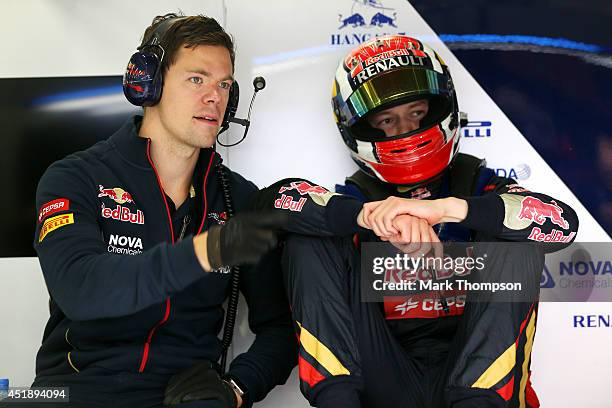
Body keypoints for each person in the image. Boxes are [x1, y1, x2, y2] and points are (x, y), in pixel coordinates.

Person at [255, 35, 579, 407]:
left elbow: (562, 224)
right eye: (387, 120)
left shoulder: (483, 187)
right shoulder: (354, 202)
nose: (405, 130)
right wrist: (366, 216)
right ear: (363, 129)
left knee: (516, 238)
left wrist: (448, 209)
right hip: (386, 378)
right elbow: (271, 202)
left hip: (477, 380)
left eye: (417, 113)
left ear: (442, 109)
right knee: (310, 237)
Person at [12, 13, 296, 408]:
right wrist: (206, 251)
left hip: (182, 396)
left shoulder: (238, 199)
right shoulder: (74, 178)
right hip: (77, 392)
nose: (215, 96)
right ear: (150, 83)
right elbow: (81, 289)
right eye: (197, 79)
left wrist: (236, 389)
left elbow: (281, 329)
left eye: (225, 84)